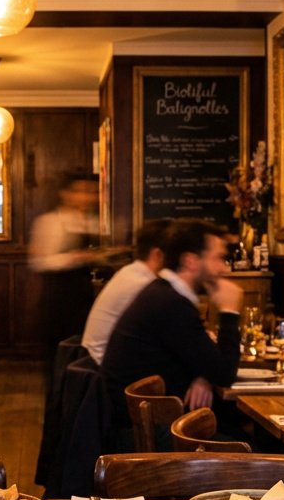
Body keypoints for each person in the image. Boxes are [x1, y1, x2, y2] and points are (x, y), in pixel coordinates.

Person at [101, 218, 243, 421]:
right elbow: (224, 374)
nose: (224, 268)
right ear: (191, 261)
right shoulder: (170, 304)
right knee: (253, 442)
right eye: (218, 258)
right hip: (147, 432)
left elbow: (206, 362)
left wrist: (203, 375)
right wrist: (229, 312)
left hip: (148, 418)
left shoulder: (163, 293)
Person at [30, 170, 101, 356]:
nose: (89, 197)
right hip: (58, 298)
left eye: (93, 192)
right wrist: (75, 258)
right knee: (61, 352)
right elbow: (38, 262)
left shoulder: (94, 222)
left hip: (84, 295)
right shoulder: (50, 221)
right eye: (82, 191)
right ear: (66, 194)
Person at [81, 218, 171, 365]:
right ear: (158, 255)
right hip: (106, 365)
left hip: (98, 358)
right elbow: (167, 334)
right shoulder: (143, 283)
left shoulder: (131, 272)